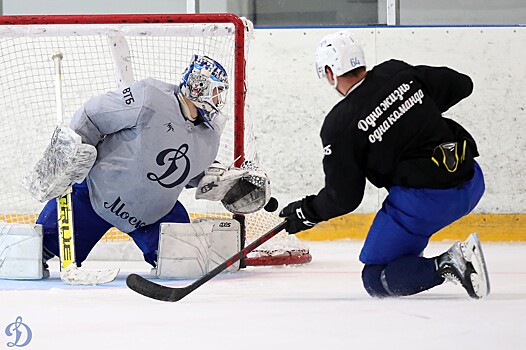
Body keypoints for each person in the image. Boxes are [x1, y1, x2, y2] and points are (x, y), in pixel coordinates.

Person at [279, 31, 490, 299]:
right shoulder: (397, 72)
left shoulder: (340, 126)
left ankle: (448, 264)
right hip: (472, 181)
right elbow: (462, 84)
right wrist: (415, 109)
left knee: (375, 277)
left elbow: (344, 197)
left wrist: (307, 212)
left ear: (330, 72)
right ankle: (416, 259)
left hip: (426, 204)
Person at [36, 54, 231, 268]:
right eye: (216, 92)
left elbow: (187, 175)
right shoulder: (150, 97)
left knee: (183, 260)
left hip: (153, 213)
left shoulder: (210, 136)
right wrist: (71, 150)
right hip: (95, 196)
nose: (218, 100)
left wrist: (218, 182)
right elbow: (93, 114)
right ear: (198, 86)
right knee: (32, 251)